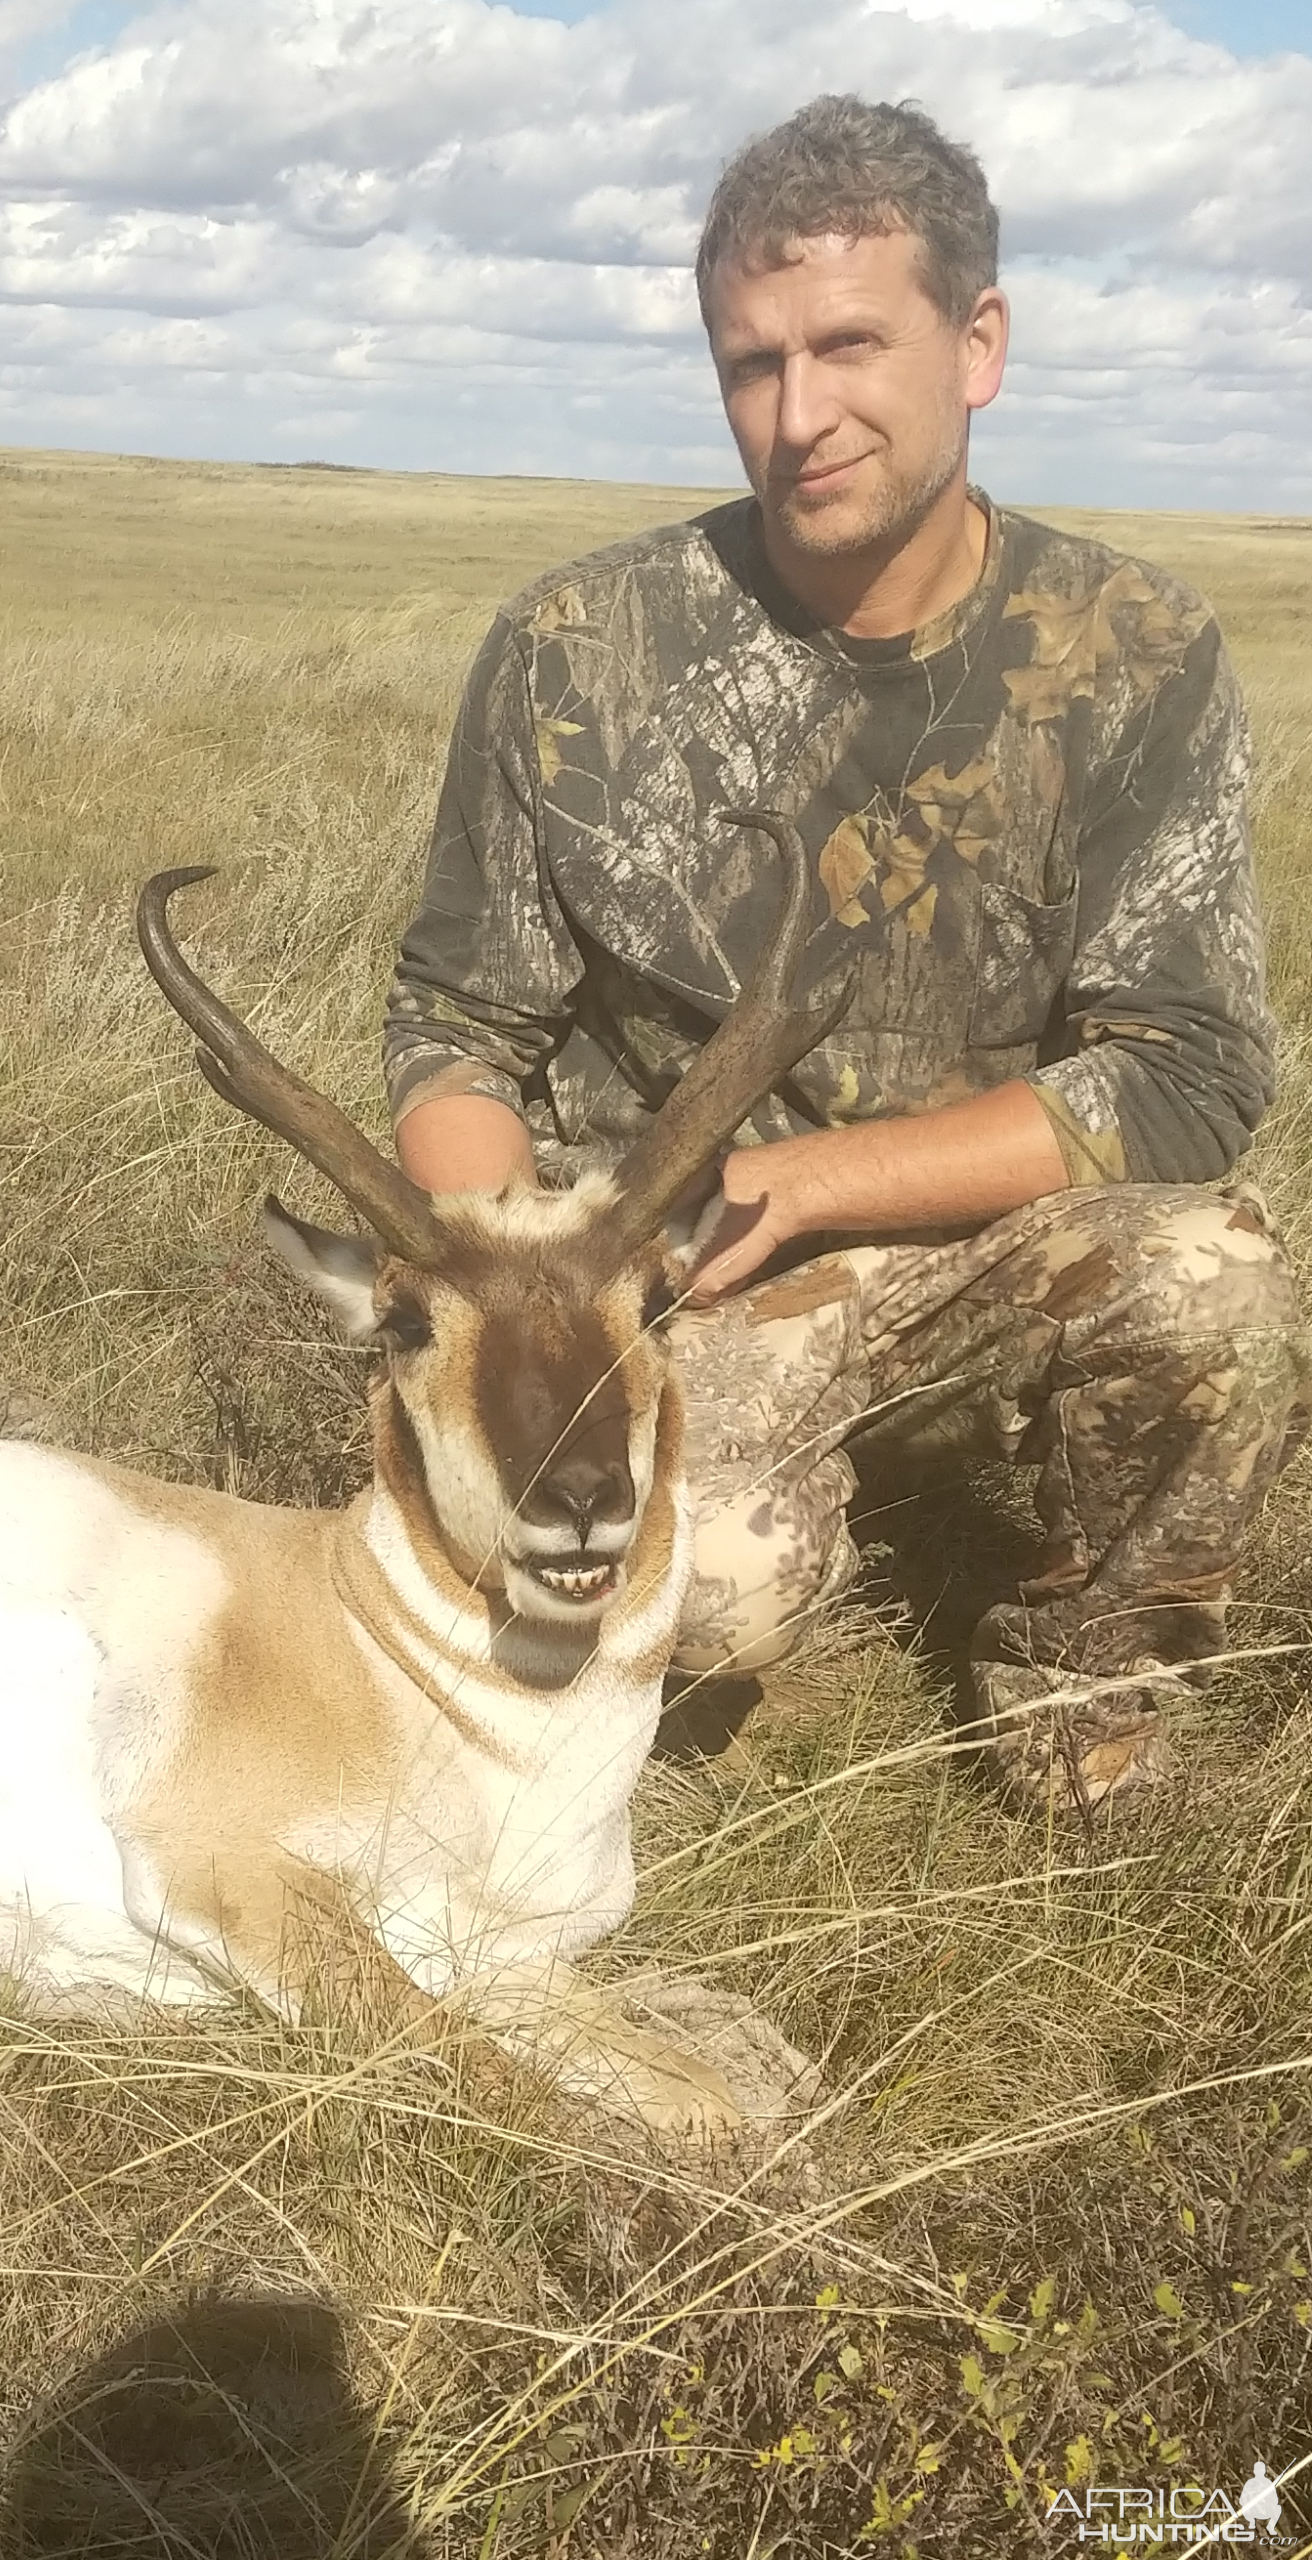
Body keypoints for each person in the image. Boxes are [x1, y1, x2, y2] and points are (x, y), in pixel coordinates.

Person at [382, 94, 1305, 1815]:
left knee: (1220, 1286)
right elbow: (456, 1023)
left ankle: (1081, 1702)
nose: (797, 416)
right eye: (751, 363)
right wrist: (529, 1288)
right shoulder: (578, 649)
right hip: (670, 1278)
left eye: (850, 346)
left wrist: (809, 1177)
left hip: (988, 1245)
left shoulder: (1138, 653)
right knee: (714, 1594)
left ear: (979, 344)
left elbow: (1185, 1074)